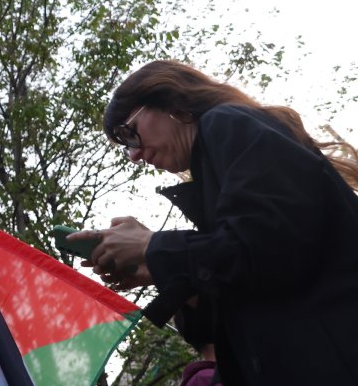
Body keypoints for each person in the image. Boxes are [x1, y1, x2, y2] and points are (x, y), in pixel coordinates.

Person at [72, 60, 358, 384]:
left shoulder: (225, 122)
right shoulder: (216, 162)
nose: (134, 155)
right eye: (126, 147)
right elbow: (252, 286)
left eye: (129, 134)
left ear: (169, 102)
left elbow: (268, 247)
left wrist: (153, 246)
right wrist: (159, 268)